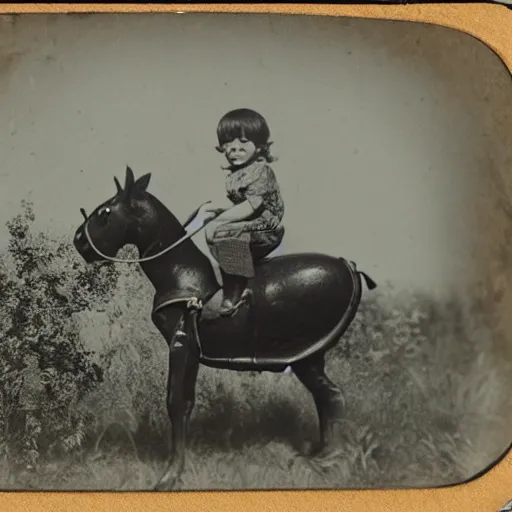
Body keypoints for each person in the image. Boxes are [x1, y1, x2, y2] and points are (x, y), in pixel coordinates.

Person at [199, 108, 285, 317]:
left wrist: (219, 221)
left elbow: (252, 207)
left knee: (225, 233)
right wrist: (221, 213)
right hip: (253, 224)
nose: (235, 148)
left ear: (259, 147)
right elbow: (243, 208)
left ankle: (234, 295)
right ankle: (236, 277)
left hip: (267, 227)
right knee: (216, 227)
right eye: (229, 142)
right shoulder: (238, 174)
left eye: (244, 142)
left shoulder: (260, 170)